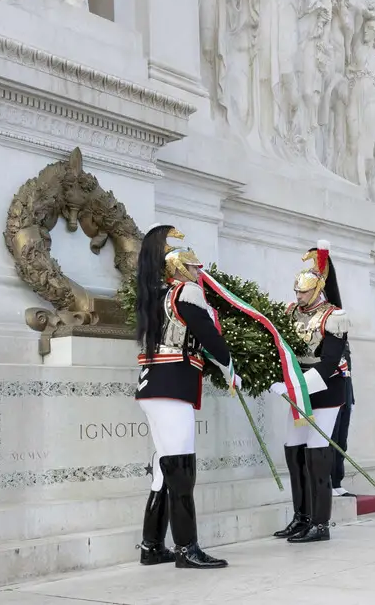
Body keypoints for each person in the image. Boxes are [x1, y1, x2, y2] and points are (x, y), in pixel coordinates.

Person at [133, 224, 241, 570]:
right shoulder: (186, 293)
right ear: (180, 268)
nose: (199, 273)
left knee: (164, 469)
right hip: (172, 385)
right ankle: (186, 548)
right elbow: (208, 336)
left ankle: (152, 546)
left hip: (154, 386)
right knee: (181, 467)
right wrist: (228, 366)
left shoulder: (157, 294)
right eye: (194, 267)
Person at [271, 240, 350, 544]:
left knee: (318, 453)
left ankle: (320, 523)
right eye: (297, 291)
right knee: (294, 451)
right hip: (299, 388)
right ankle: (301, 517)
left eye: (303, 292)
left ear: (317, 289)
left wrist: (297, 385)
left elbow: (329, 362)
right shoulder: (292, 311)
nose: (299, 296)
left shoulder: (335, 316)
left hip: (325, 390)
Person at [330, 348, 355, 497]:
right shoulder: (328, 341)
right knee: (331, 441)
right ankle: (328, 482)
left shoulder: (343, 342)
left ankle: (337, 482)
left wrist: (351, 397)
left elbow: (348, 372)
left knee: (341, 442)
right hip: (332, 397)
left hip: (346, 395)